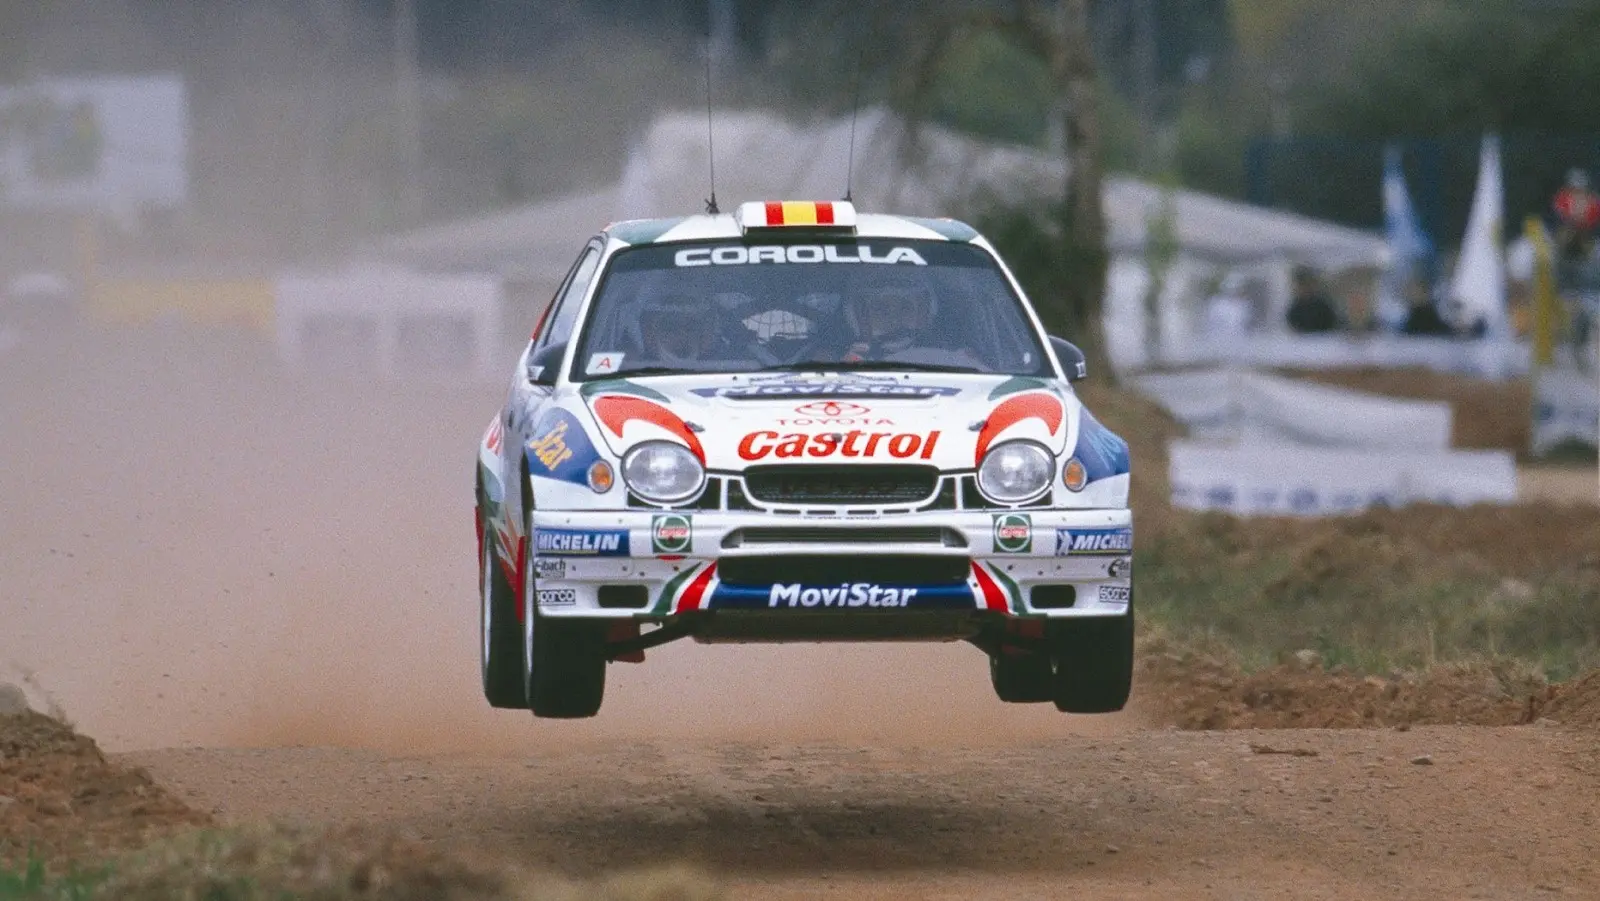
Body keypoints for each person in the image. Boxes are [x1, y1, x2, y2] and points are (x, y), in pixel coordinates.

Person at [631, 293, 727, 367]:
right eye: (691, 327)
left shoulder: (633, 368)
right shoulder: (725, 364)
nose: (682, 333)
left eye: (670, 327)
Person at [1285, 265, 1341, 334]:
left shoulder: (1323, 306)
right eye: (1302, 286)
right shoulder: (1295, 309)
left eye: (1307, 285)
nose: (1304, 290)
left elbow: (1331, 324)